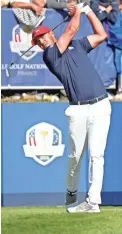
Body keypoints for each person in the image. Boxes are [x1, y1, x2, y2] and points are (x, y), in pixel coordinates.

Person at [31, 2, 111, 213]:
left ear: (51, 34)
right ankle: (71, 191)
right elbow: (72, 28)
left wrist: (88, 12)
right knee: (75, 157)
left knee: (97, 156)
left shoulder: (78, 45)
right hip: (78, 110)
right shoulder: (50, 55)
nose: (41, 40)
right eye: (38, 40)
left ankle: (93, 202)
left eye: (43, 36)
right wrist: (77, 11)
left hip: (101, 105)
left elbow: (101, 35)